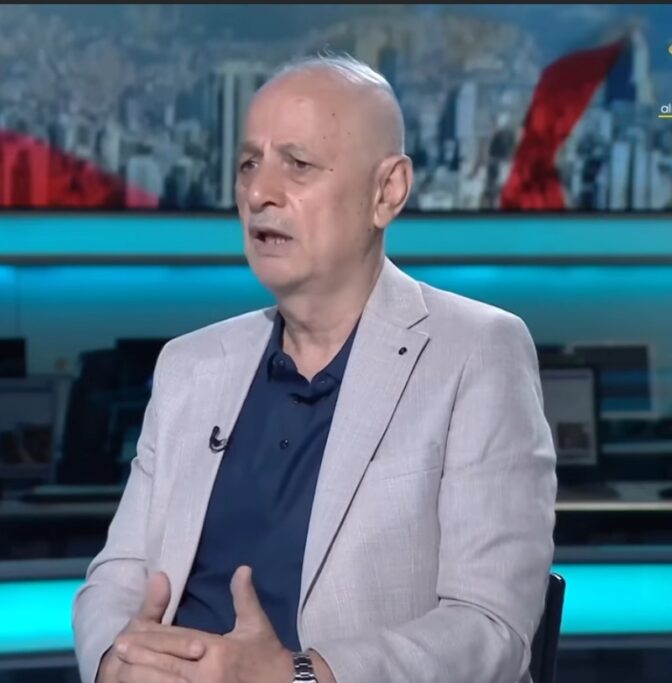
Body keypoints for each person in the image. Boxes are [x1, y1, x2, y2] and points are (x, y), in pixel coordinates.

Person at [72, 52, 557, 683]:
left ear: (387, 191)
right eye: (249, 164)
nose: (259, 193)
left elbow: (490, 627)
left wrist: (299, 676)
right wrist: (117, 665)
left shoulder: (475, 352)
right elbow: (116, 576)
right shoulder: (190, 365)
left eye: (297, 165)